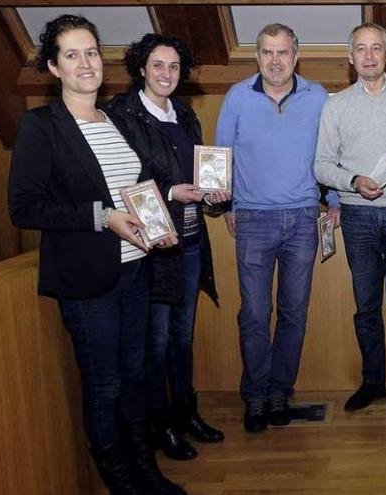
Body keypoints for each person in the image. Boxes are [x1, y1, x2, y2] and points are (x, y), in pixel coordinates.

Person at [8, 15, 185, 495]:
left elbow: (134, 191)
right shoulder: (40, 125)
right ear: (53, 66)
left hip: (136, 271)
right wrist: (102, 217)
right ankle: (123, 484)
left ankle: (146, 470)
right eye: (71, 54)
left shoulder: (116, 119)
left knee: (134, 377)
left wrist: (157, 226)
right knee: (105, 386)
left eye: (90, 52)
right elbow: (24, 208)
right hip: (88, 282)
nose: (85, 63)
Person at [104, 33, 228, 461]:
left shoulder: (186, 114)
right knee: (154, 342)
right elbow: (118, 180)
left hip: (191, 240)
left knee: (182, 337)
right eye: (157, 65)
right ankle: (163, 426)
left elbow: (202, 171)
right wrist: (172, 192)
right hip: (152, 244)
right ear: (141, 67)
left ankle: (186, 413)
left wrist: (213, 193)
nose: (166, 74)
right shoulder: (121, 114)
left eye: (174, 67)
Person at [215, 23, 334, 433]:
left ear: (296, 56)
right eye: (267, 52)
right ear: (257, 57)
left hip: (303, 217)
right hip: (252, 219)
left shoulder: (318, 97)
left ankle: (280, 389)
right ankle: (256, 394)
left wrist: (332, 201)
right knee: (253, 313)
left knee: (293, 312)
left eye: (283, 52)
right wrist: (227, 203)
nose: (275, 60)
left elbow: (329, 153)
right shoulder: (236, 97)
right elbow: (220, 157)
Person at [314, 22, 386, 423]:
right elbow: (322, 165)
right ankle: (371, 382)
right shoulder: (336, 105)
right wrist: (352, 182)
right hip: (358, 214)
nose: (368, 55)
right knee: (366, 308)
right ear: (350, 58)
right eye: (360, 49)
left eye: (376, 48)